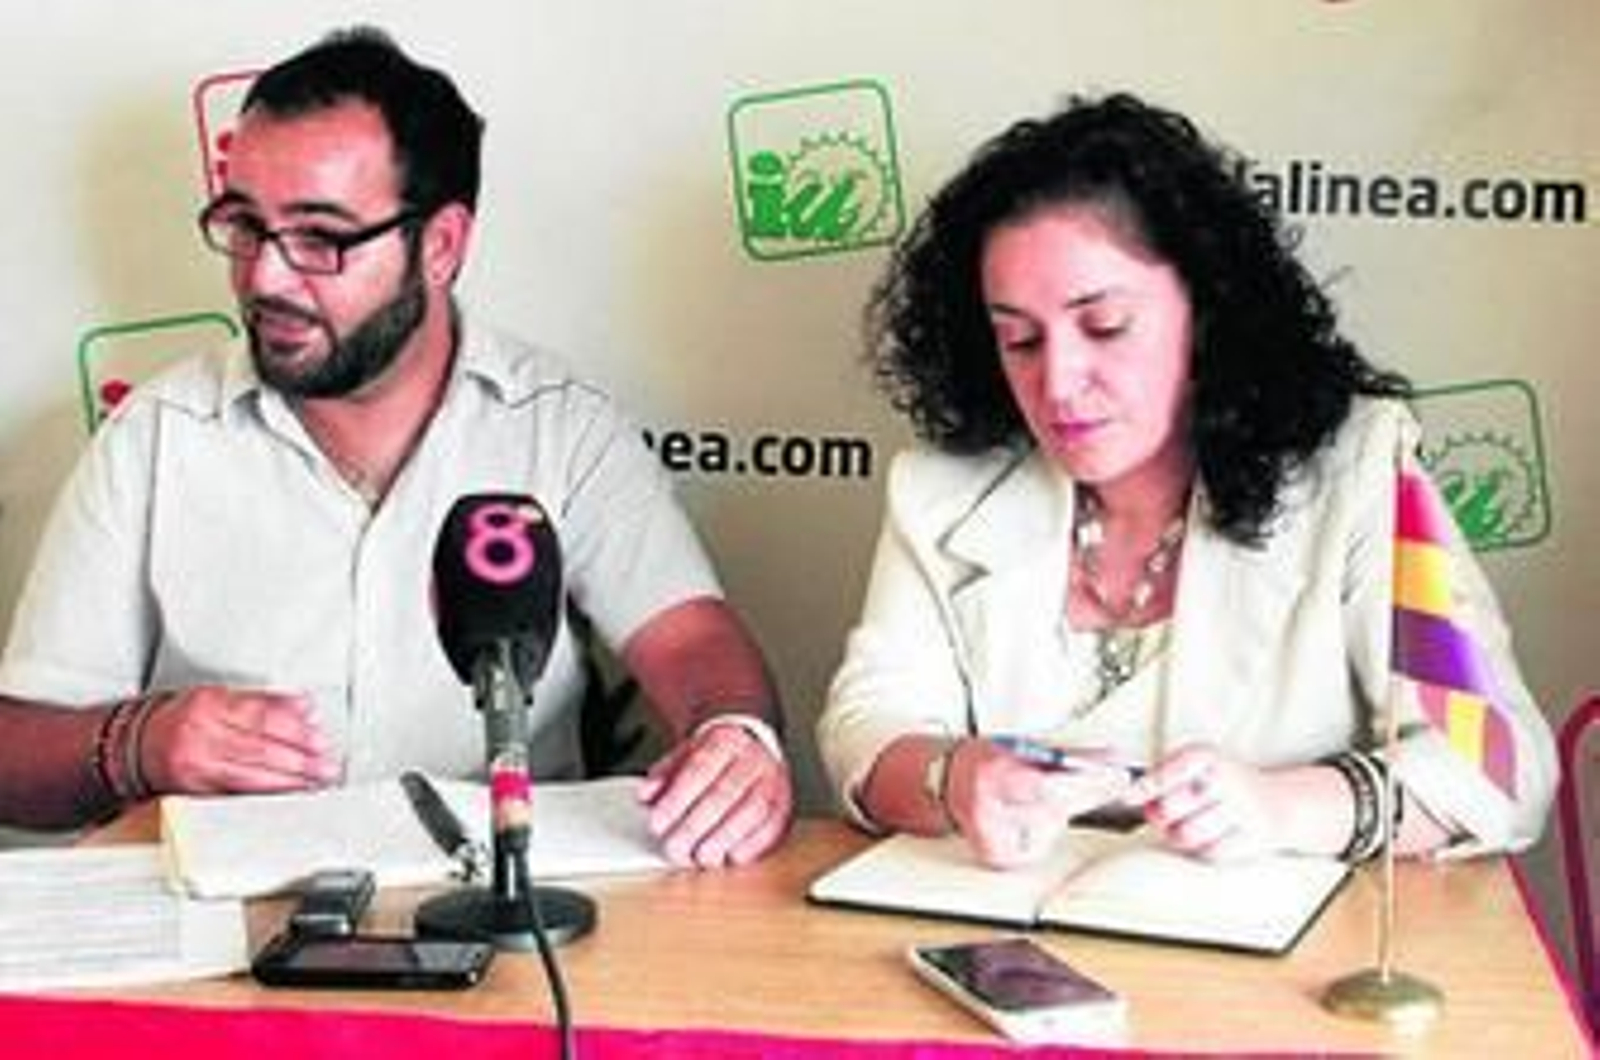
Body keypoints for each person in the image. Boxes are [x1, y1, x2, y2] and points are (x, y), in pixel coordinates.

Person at [0, 27, 791, 868]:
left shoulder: (559, 428)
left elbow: (695, 648)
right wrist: (140, 741)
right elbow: (16, 759)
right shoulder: (155, 440)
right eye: (244, 226)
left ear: (441, 245)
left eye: (320, 237)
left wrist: (734, 742)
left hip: (506, 932)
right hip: (230, 945)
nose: (265, 277)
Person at [817, 92, 1555, 870]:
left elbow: (1502, 767)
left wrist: (1284, 807)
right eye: (1020, 340)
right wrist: (950, 777)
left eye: (1104, 327)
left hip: (1271, 976)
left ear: (1205, 308)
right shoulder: (940, 492)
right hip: (1002, 951)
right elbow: (868, 721)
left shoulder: (1358, 471)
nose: (1060, 382)